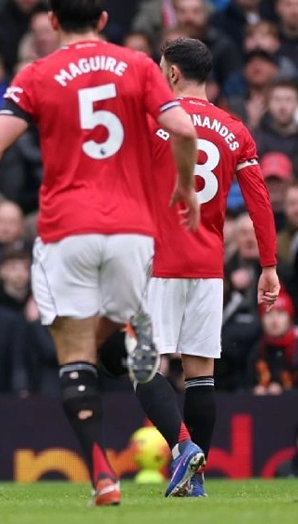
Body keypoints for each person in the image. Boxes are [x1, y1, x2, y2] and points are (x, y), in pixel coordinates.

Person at [0, 0, 199, 507]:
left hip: (67, 229)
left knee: (75, 356)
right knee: (115, 347)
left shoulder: (39, 73)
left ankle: (104, 478)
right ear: (105, 21)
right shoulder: (138, 65)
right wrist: (185, 187)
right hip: (134, 232)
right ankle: (176, 431)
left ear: (51, 21)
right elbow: (184, 130)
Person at [130, 38, 280, 498]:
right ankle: (194, 483)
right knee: (200, 373)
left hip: (160, 260)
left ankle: (182, 449)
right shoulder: (235, 129)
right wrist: (269, 266)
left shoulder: (155, 120)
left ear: (172, 74)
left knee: (143, 365)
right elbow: (259, 204)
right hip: (208, 264)